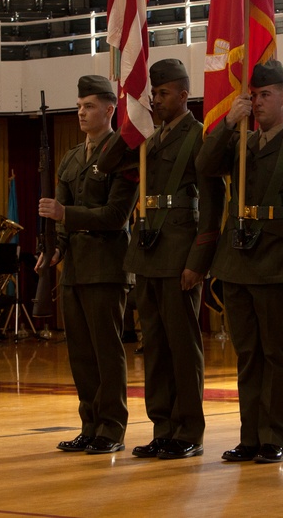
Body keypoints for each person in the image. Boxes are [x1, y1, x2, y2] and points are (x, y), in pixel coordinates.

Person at [98, 59, 223, 460]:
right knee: (154, 347)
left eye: (164, 94)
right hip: (149, 252)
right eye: (154, 94)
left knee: (182, 348)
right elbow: (105, 165)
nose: (157, 100)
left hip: (179, 253)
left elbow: (213, 205)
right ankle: (162, 426)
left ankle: (189, 430)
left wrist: (198, 262)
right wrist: (133, 120)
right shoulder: (147, 136)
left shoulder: (198, 136)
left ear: (184, 94)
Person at [196, 60, 283, 465]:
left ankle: (276, 436)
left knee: (278, 353)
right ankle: (250, 436)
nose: (258, 102)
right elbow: (205, 166)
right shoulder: (241, 142)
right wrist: (229, 123)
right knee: (247, 354)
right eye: (253, 95)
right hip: (238, 259)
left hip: (280, 260)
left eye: (266, 95)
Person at [37, 74, 138, 455]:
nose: (81, 112)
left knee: (106, 352)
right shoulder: (70, 158)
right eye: (79, 106)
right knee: (80, 353)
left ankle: (111, 427)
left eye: (89, 106)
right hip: (76, 268)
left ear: (110, 109)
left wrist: (66, 214)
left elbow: (115, 216)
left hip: (107, 265)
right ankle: (90, 424)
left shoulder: (122, 154)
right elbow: (60, 223)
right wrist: (56, 250)